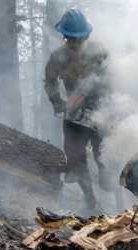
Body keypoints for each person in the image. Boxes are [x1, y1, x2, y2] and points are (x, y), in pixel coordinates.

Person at [44, 9, 110, 211]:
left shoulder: (100, 52)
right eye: (70, 39)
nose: (75, 43)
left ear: (86, 36)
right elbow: (50, 80)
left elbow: (114, 79)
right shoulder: (57, 57)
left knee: (104, 156)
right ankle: (90, 200)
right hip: (73, 114)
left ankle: (107, 180)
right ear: (64, 37)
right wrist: (57, 101)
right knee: (75, 158)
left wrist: (111, 104)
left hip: (101, 111)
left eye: (78, 39)